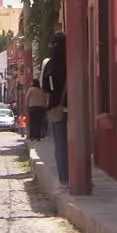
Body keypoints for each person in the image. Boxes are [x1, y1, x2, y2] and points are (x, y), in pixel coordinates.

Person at [42, 32, 68, 185]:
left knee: (60, 144)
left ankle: (64, 178)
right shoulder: (71, 60)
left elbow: (45, 88)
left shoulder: (50, 64)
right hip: (75, 106)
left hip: (56, 106)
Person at [25, 73, 50, 141]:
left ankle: (32, 136)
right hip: (41, 108)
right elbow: (46, 98)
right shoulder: (42, 90)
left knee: (32, 122)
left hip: (32, 107)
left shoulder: (31, 89)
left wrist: (27, 106)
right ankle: (38, 136)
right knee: (39, 122)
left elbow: (27, 98)